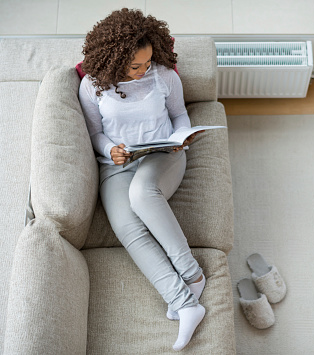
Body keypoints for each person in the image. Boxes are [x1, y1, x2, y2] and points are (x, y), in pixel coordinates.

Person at [78, 8, 205, 351]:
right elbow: (93, 132)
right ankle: (185, 303)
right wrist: (109, 149)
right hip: (117, 164)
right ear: (114, 59)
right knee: (126, 227)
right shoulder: (92, 86)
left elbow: (179, 114)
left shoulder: (163, 76)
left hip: (164, 155)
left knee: (142, 193)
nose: (143, 71)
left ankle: (192, 274)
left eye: (147, 63)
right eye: (135, 66)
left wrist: (181, 137)